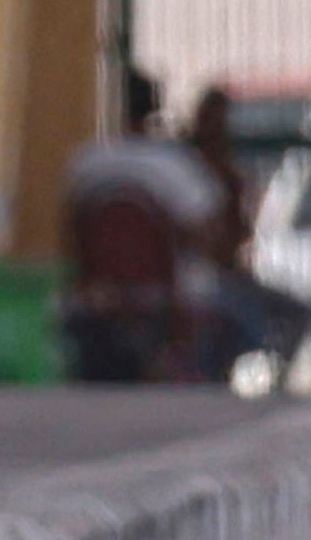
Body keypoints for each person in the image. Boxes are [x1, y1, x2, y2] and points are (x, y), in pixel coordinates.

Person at [59, 70, 238, 386]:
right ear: (156, 110)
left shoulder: (84, 162)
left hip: (99, 295)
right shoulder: (175, 164)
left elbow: (72, 231)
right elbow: (208, 237)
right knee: (244, 317)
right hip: (172, 300)